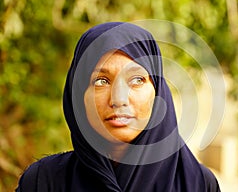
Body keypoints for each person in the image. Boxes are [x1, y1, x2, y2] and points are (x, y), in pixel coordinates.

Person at [16, 22, 221, 191]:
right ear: (78, 97)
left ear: (157, 92)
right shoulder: (44, 182)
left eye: (137, 80)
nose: (118, 99)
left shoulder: (198, 185)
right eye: (101, 81)